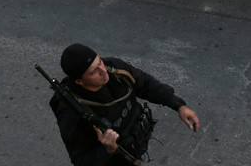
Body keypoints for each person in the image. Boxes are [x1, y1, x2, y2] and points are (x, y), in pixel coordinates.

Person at [51, 43, 199, 165]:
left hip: (135, 147)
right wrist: (107, 150)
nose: (103, 71)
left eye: (100, 62)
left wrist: (178, 105)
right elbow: (81, 160)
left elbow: (146, 84)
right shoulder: (70, 111)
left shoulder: (115, 69)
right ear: (79, 81)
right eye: (93, 72)